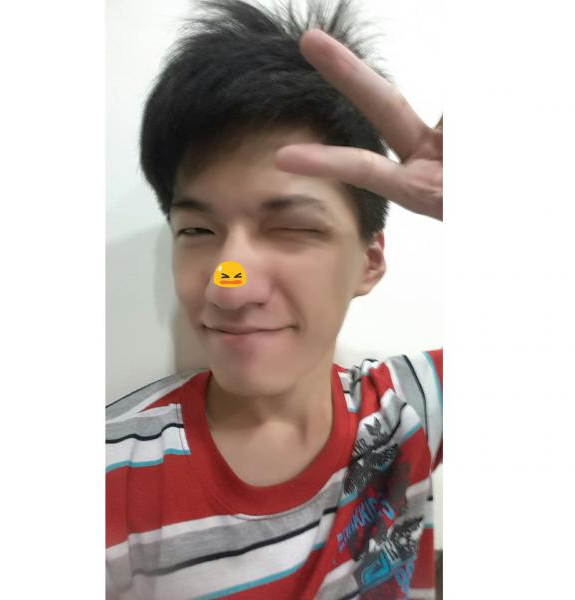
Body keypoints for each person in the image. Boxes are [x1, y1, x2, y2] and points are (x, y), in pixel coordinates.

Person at [106, 0, 443, 598]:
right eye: (197, 230)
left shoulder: (407, 409)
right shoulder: (112, 470)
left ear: (369, 261)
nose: (229, 286)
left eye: (290, 228)